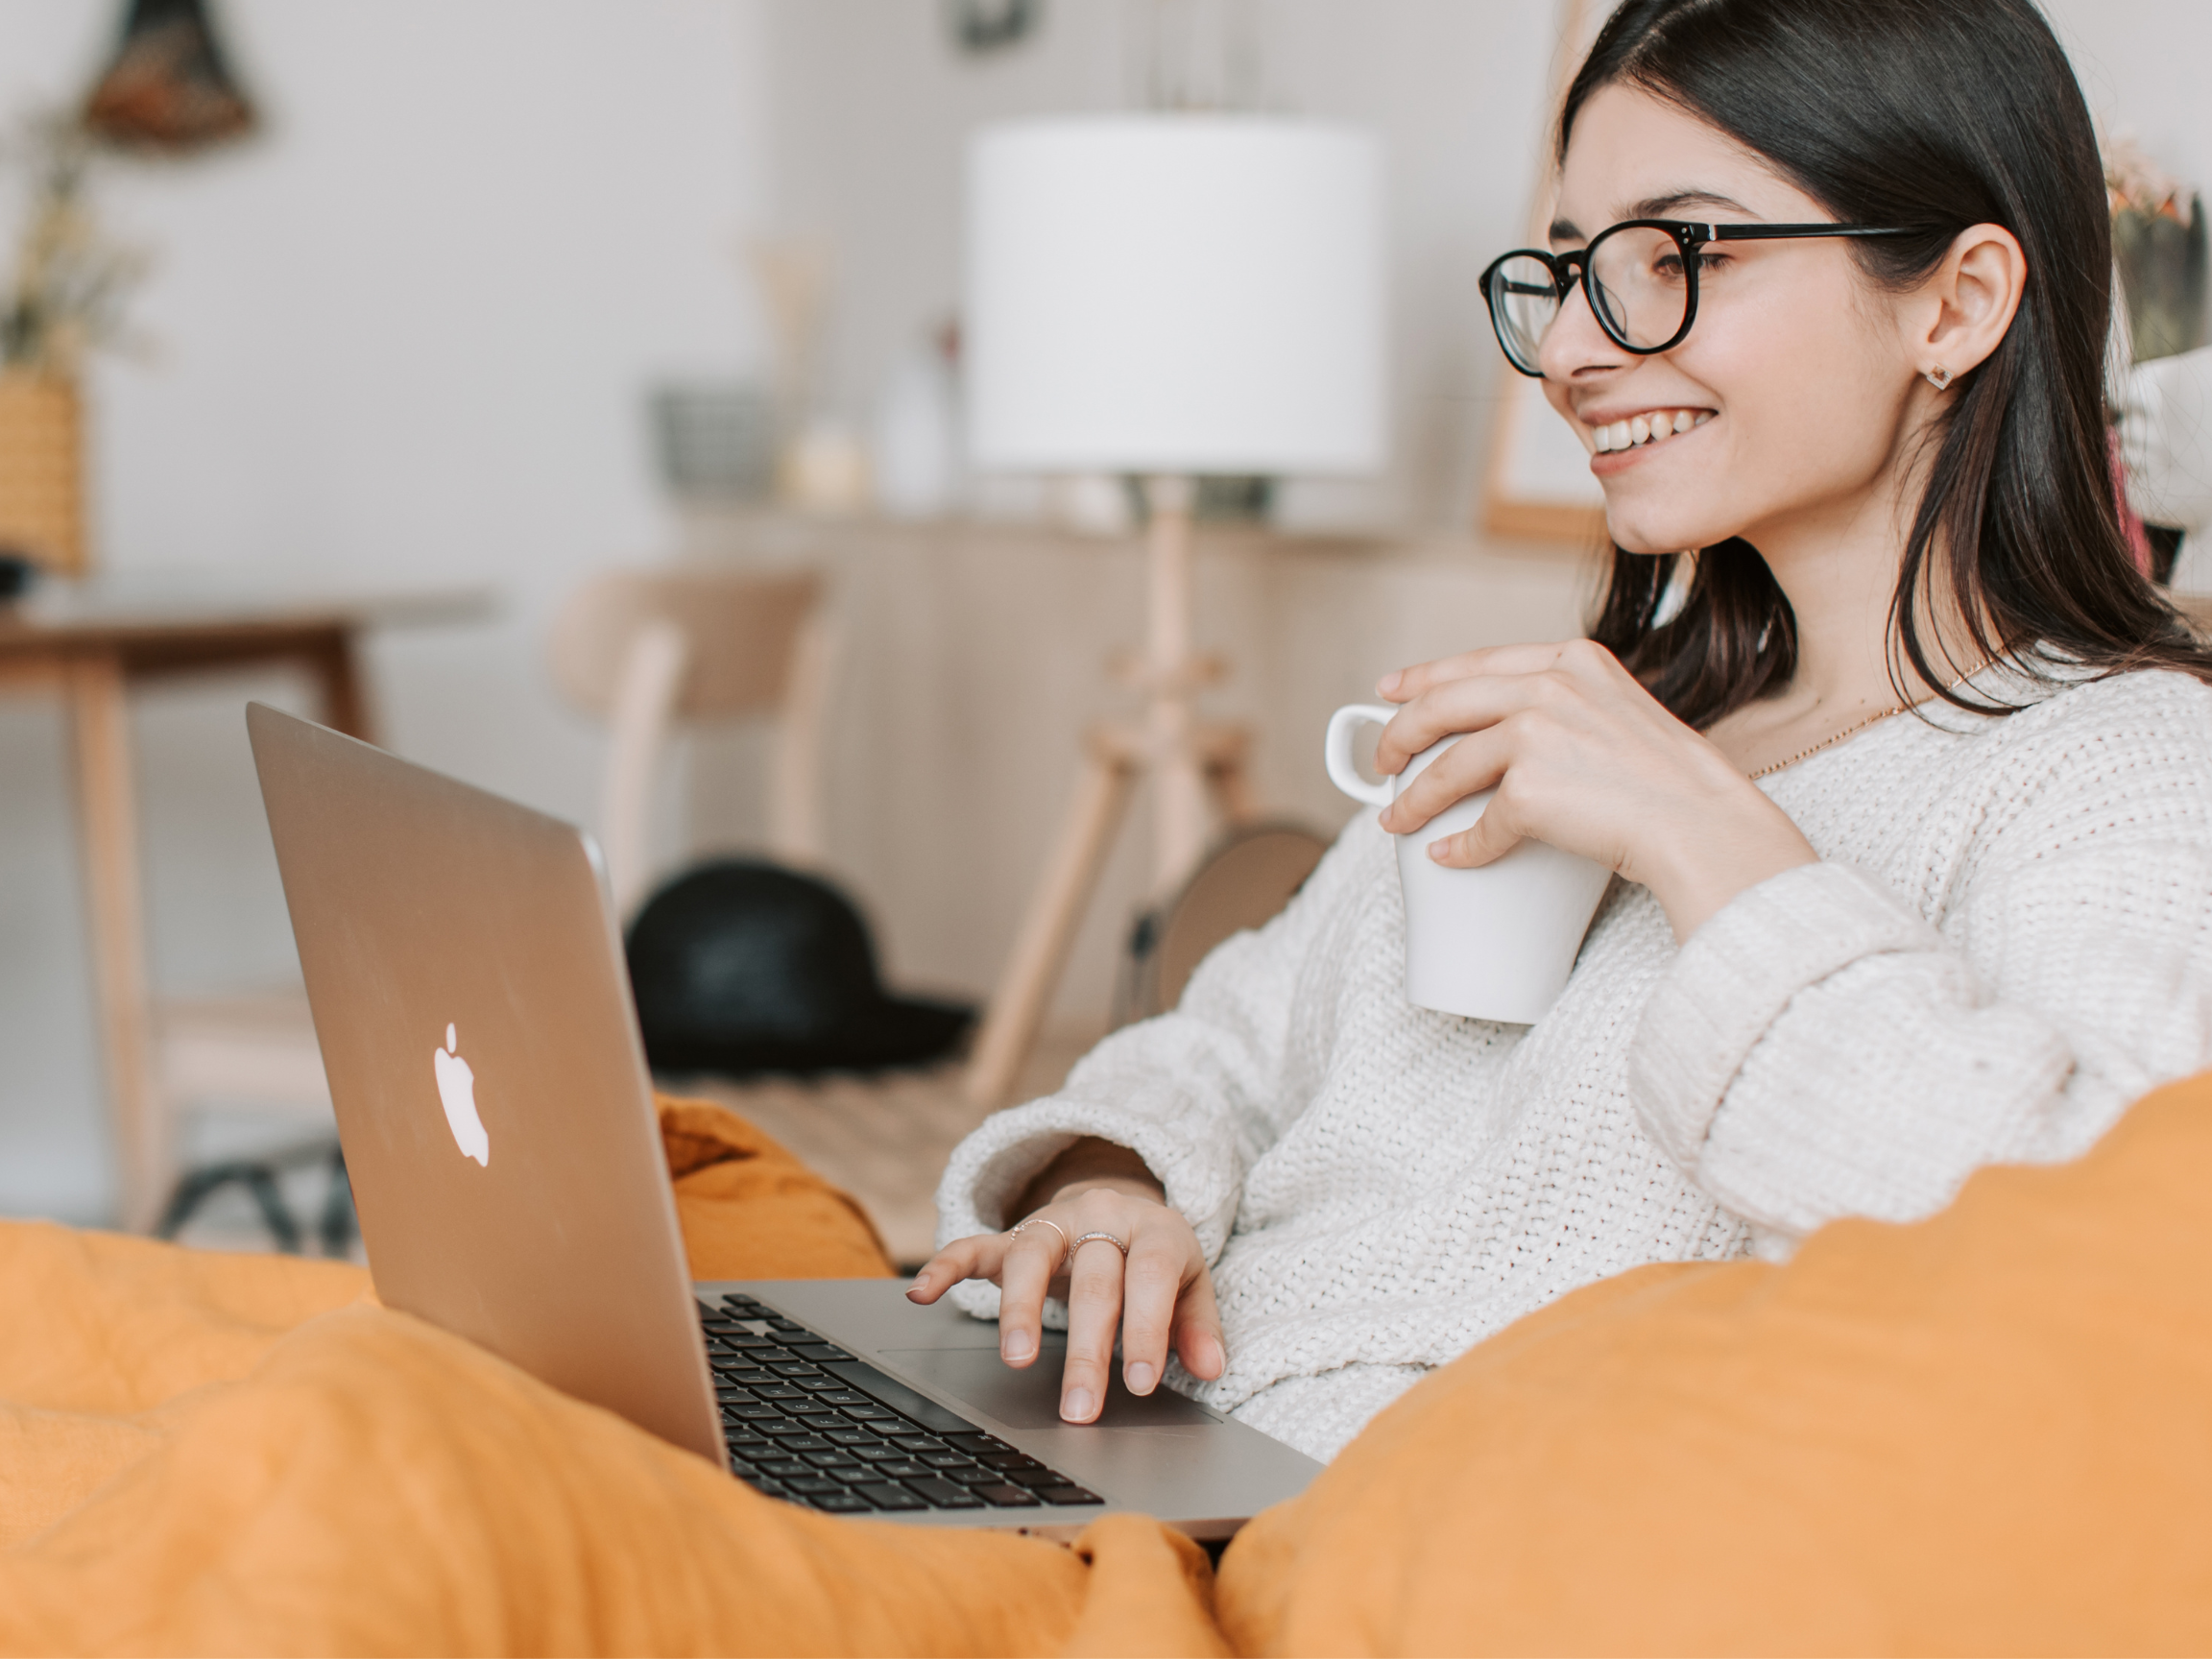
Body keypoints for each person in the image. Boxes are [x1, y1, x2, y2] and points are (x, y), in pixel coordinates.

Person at [907, 0, 2212, 1465]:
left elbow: (2101, 1264)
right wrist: (1111, 1188)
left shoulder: (2117, 768)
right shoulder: (1611, 702)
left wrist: (1709, 840)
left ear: (1958, 304)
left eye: (1680, 256)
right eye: (1576, 270)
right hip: (1143, 1436)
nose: (1577, 350)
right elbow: (1225, 1044)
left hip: (1393, 1539)